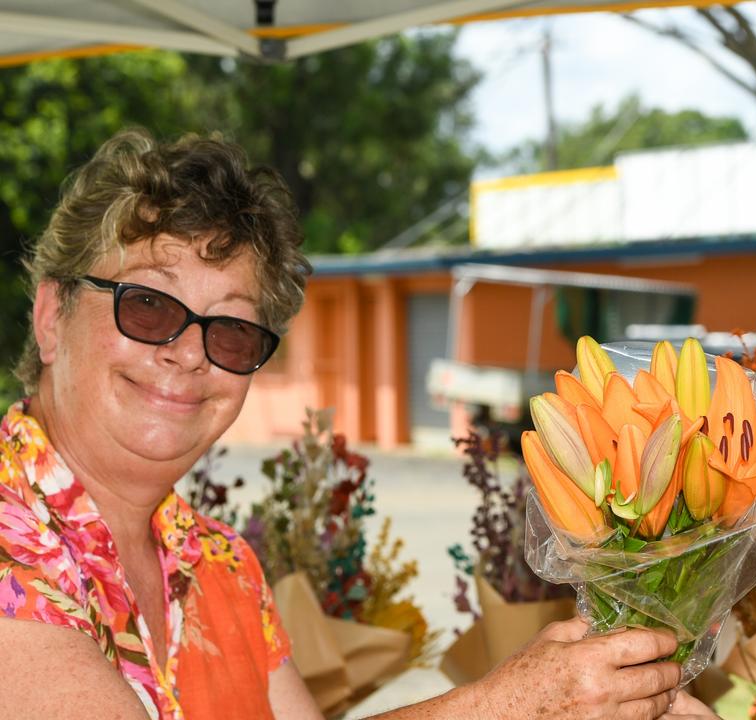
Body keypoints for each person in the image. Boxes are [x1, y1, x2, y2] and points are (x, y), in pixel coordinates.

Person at [0, 128, 694, 720]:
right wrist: (500, 706)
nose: (187, 352)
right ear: (51, 316)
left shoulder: (219, 563)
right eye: (148, 305)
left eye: (233, 330)